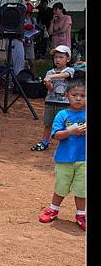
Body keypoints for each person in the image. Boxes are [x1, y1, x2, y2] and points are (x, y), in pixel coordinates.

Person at [38, 71, 86, 231]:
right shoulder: (62, 114)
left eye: (82, 95)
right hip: (65, 159)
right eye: (74, 95)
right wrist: (71, 131)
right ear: (67, 96)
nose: (78, 98)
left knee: (82, 189)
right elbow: (56, 135)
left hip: (84, 160)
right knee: (61, 186)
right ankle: (53, 209)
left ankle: (81, 214)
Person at [31, 45, 75, 152]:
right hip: (51, 101)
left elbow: (65, 75)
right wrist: (47, 83)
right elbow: (50, 89)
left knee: (66, 124)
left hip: (65, 103)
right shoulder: (50, 72)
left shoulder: (70, 70)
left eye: (61, 57)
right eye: (56, 57)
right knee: (48, 123)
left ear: (68, 59)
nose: (57, 60)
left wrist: (51, 77)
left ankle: (69, 144)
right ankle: (44, 142)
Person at [23, 2, 38, 78]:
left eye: (28, 13)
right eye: (26, 12)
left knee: (32, 62)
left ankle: (34, 77)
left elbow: (36, 30)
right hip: (20, 42)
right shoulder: (20, 19)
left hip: (29, 42)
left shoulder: (33, 20)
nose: (27, 14)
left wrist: (33, 29)